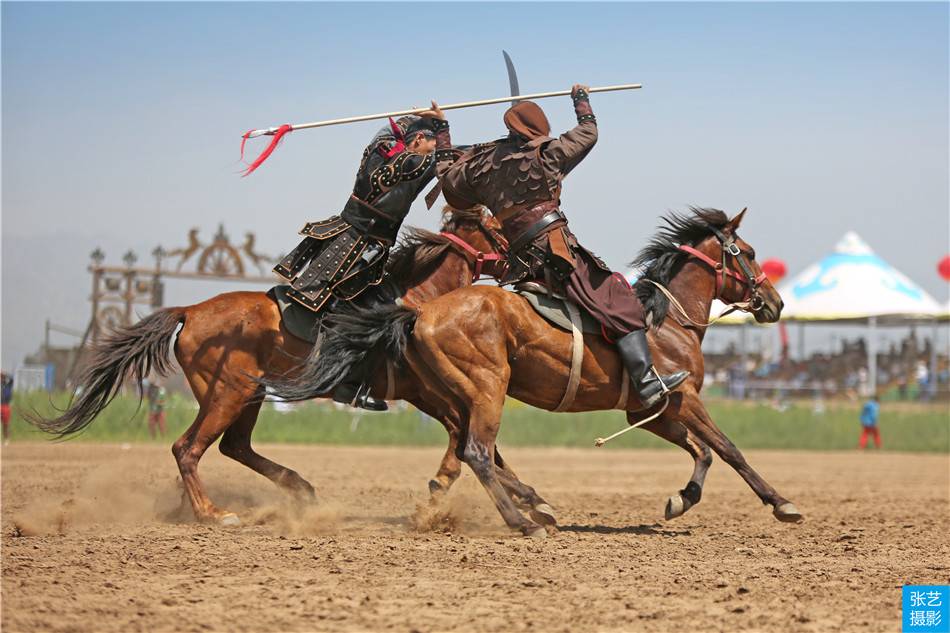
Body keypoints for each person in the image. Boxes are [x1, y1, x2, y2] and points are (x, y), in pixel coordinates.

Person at [434, 85, 688, 407]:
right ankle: (647, 382)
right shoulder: (547, 154)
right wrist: (580, 99)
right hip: (553, 251)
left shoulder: (482, 165)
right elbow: (588, 133)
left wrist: (442, 132)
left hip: (519, 260)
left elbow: (447, 180)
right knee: (618, 297)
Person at [273, 103, 457, 411]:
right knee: (366, 316)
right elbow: (447, 165)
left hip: (348, 238)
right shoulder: (412, 161)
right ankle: (345, 384)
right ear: (416, 141)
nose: (434, 147)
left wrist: (418, 120)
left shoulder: (378, 150)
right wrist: (443, 126)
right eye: (430, 141)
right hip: (360, 250)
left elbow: (391, 132)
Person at [1, 372, 12, 445]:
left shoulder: (8, 385)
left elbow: (11, 379)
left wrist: (5, 374)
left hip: (6, 406)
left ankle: (6, 439)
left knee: (6, 424)